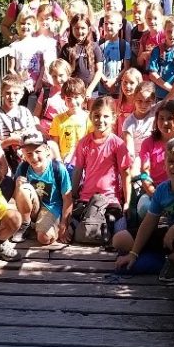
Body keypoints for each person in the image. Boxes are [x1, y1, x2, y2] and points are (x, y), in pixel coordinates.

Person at [114, 138, 174, 284]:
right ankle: (163, 258)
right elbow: (148, 223)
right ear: (164, 165)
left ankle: (173, 260)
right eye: (171, 161)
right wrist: (133, 254)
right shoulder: (162, 189)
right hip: (170, 236)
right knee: (119, 239)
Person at [69, 97, 131, 248]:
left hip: (110, 200)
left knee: (119, 230)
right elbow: (78, 170)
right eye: (96, 115)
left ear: (113, 118)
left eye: (106, 116)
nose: (100, 120)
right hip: (86, 199)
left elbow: (125, 174)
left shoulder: (118, 144)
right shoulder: (84, 143)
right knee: (70, 228)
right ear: (91, 116)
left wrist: (127, 201)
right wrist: (72, 196)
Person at [12, 131, 73, 245]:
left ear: (47, 150)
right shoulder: (23, 168)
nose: (34, 157)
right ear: (24, 154)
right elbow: (16, 197)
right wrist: (17, 186)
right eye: (29, 153)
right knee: (23, 188)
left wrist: (64, 224)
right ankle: (25, 224)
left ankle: (40, 227)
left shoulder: (58, 169)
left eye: (38, 152)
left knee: (44, 238)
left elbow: (67, 199)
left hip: (50, 208)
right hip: (31, 209)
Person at [0, 74, 39, 192]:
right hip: (5, 156)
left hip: (25, 153)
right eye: (8, 93)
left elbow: (33, 134)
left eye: (16, 93)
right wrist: (11, 140)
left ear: (21, 94)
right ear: (2, 93)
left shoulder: (25, 112)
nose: (11, 97)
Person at [8, 13, 55, 109]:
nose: (25, 26)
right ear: (18, 26)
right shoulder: (14, 46)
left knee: (38, 108)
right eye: (22, 23)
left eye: (28, 24)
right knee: (22, 108)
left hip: (37, 83)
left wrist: (39, 82)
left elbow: (43, 65)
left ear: (34, 26)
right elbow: (11, 69)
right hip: (21, 85)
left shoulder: (39, 43)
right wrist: (22, 83)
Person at [58, 14, 104, 99]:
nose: (79, 31)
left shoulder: (94, 47)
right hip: (72, 93)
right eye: (76, 28)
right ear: (71, 29)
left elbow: (99, 70)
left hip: (92, 91)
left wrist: (90, 89)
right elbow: (62, 71)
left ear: (88, 29)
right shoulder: (66, 48)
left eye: (83, 28)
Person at [48, 77, 90, 169]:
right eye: (69, 99)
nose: (73, 102)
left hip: (84, 163)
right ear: (64, 99)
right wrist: (58, 161)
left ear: (83, 97)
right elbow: (54, 144)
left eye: (76, 97)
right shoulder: (58, 120)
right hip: (64, 163)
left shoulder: (89, 118)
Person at [148, 16, 174, 99]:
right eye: (169, 31)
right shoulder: (157, 50)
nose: (172, 35)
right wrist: (170, 89)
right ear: (164, 31)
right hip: (160, 95)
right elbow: (152, 74)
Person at [98, 10, 131, 98]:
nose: (108, 26)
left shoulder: (124, 45)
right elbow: (96, 67)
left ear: (120, 26)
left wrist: (114, 81)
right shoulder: (99, 45)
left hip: (118, 89)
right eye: (106, 23)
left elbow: (126, 67)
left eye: (112, 23)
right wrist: (105, 81)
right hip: (103, 89)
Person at [34, 57, 72, 134]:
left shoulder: (73, 94)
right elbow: (36, 115)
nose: (58, 79)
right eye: (54, 76)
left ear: (68, 74)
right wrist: (39, 128)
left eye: (61, 75)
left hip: (64, 132)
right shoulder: (46, 93)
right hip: (46, 131)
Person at [135, 2, 166, 73]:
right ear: (145, 18)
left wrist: (153, 54)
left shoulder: (165, 36)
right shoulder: (144, 37)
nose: (152, 21)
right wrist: (142, 56)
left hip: (162, 73)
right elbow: (139, 63)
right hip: (147, 74)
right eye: (149, 18)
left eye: (155, 18)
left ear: (161, 18)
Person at [113, 68, 143, 137]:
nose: (127, 86)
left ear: (139, 85)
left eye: (131, 83)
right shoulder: (116, 104)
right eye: (125, 82)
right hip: (119, 142)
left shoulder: (142, 106)